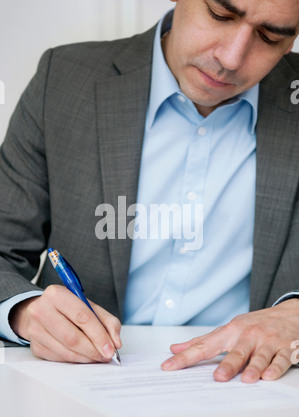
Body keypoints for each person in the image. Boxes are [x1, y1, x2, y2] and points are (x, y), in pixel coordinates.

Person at [1, 0, 299, 383]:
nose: (231, 57)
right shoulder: (62, 80)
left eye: (270, 37)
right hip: (77, 387)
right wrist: (23, 310)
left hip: (253, 391)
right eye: (220, 16)